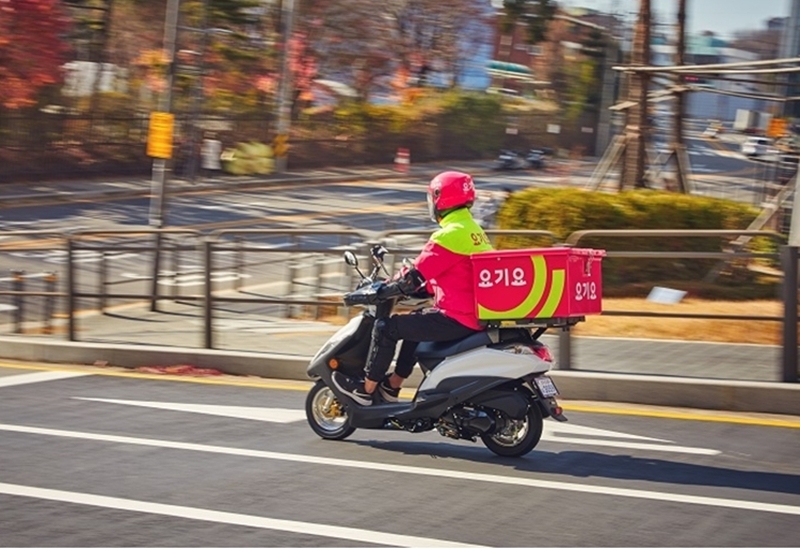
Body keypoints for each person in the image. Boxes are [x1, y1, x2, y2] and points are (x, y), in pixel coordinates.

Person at [332, 170, 494, 406]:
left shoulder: (449, 235)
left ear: (440, 198)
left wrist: (383, 290)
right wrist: (418, 287)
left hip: (457, 317)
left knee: (386, 327)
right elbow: (451, 274)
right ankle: (391, 386)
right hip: (473, 314)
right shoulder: (475, 231)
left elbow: (412, 278)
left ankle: (365, 390)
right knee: (415, 322)